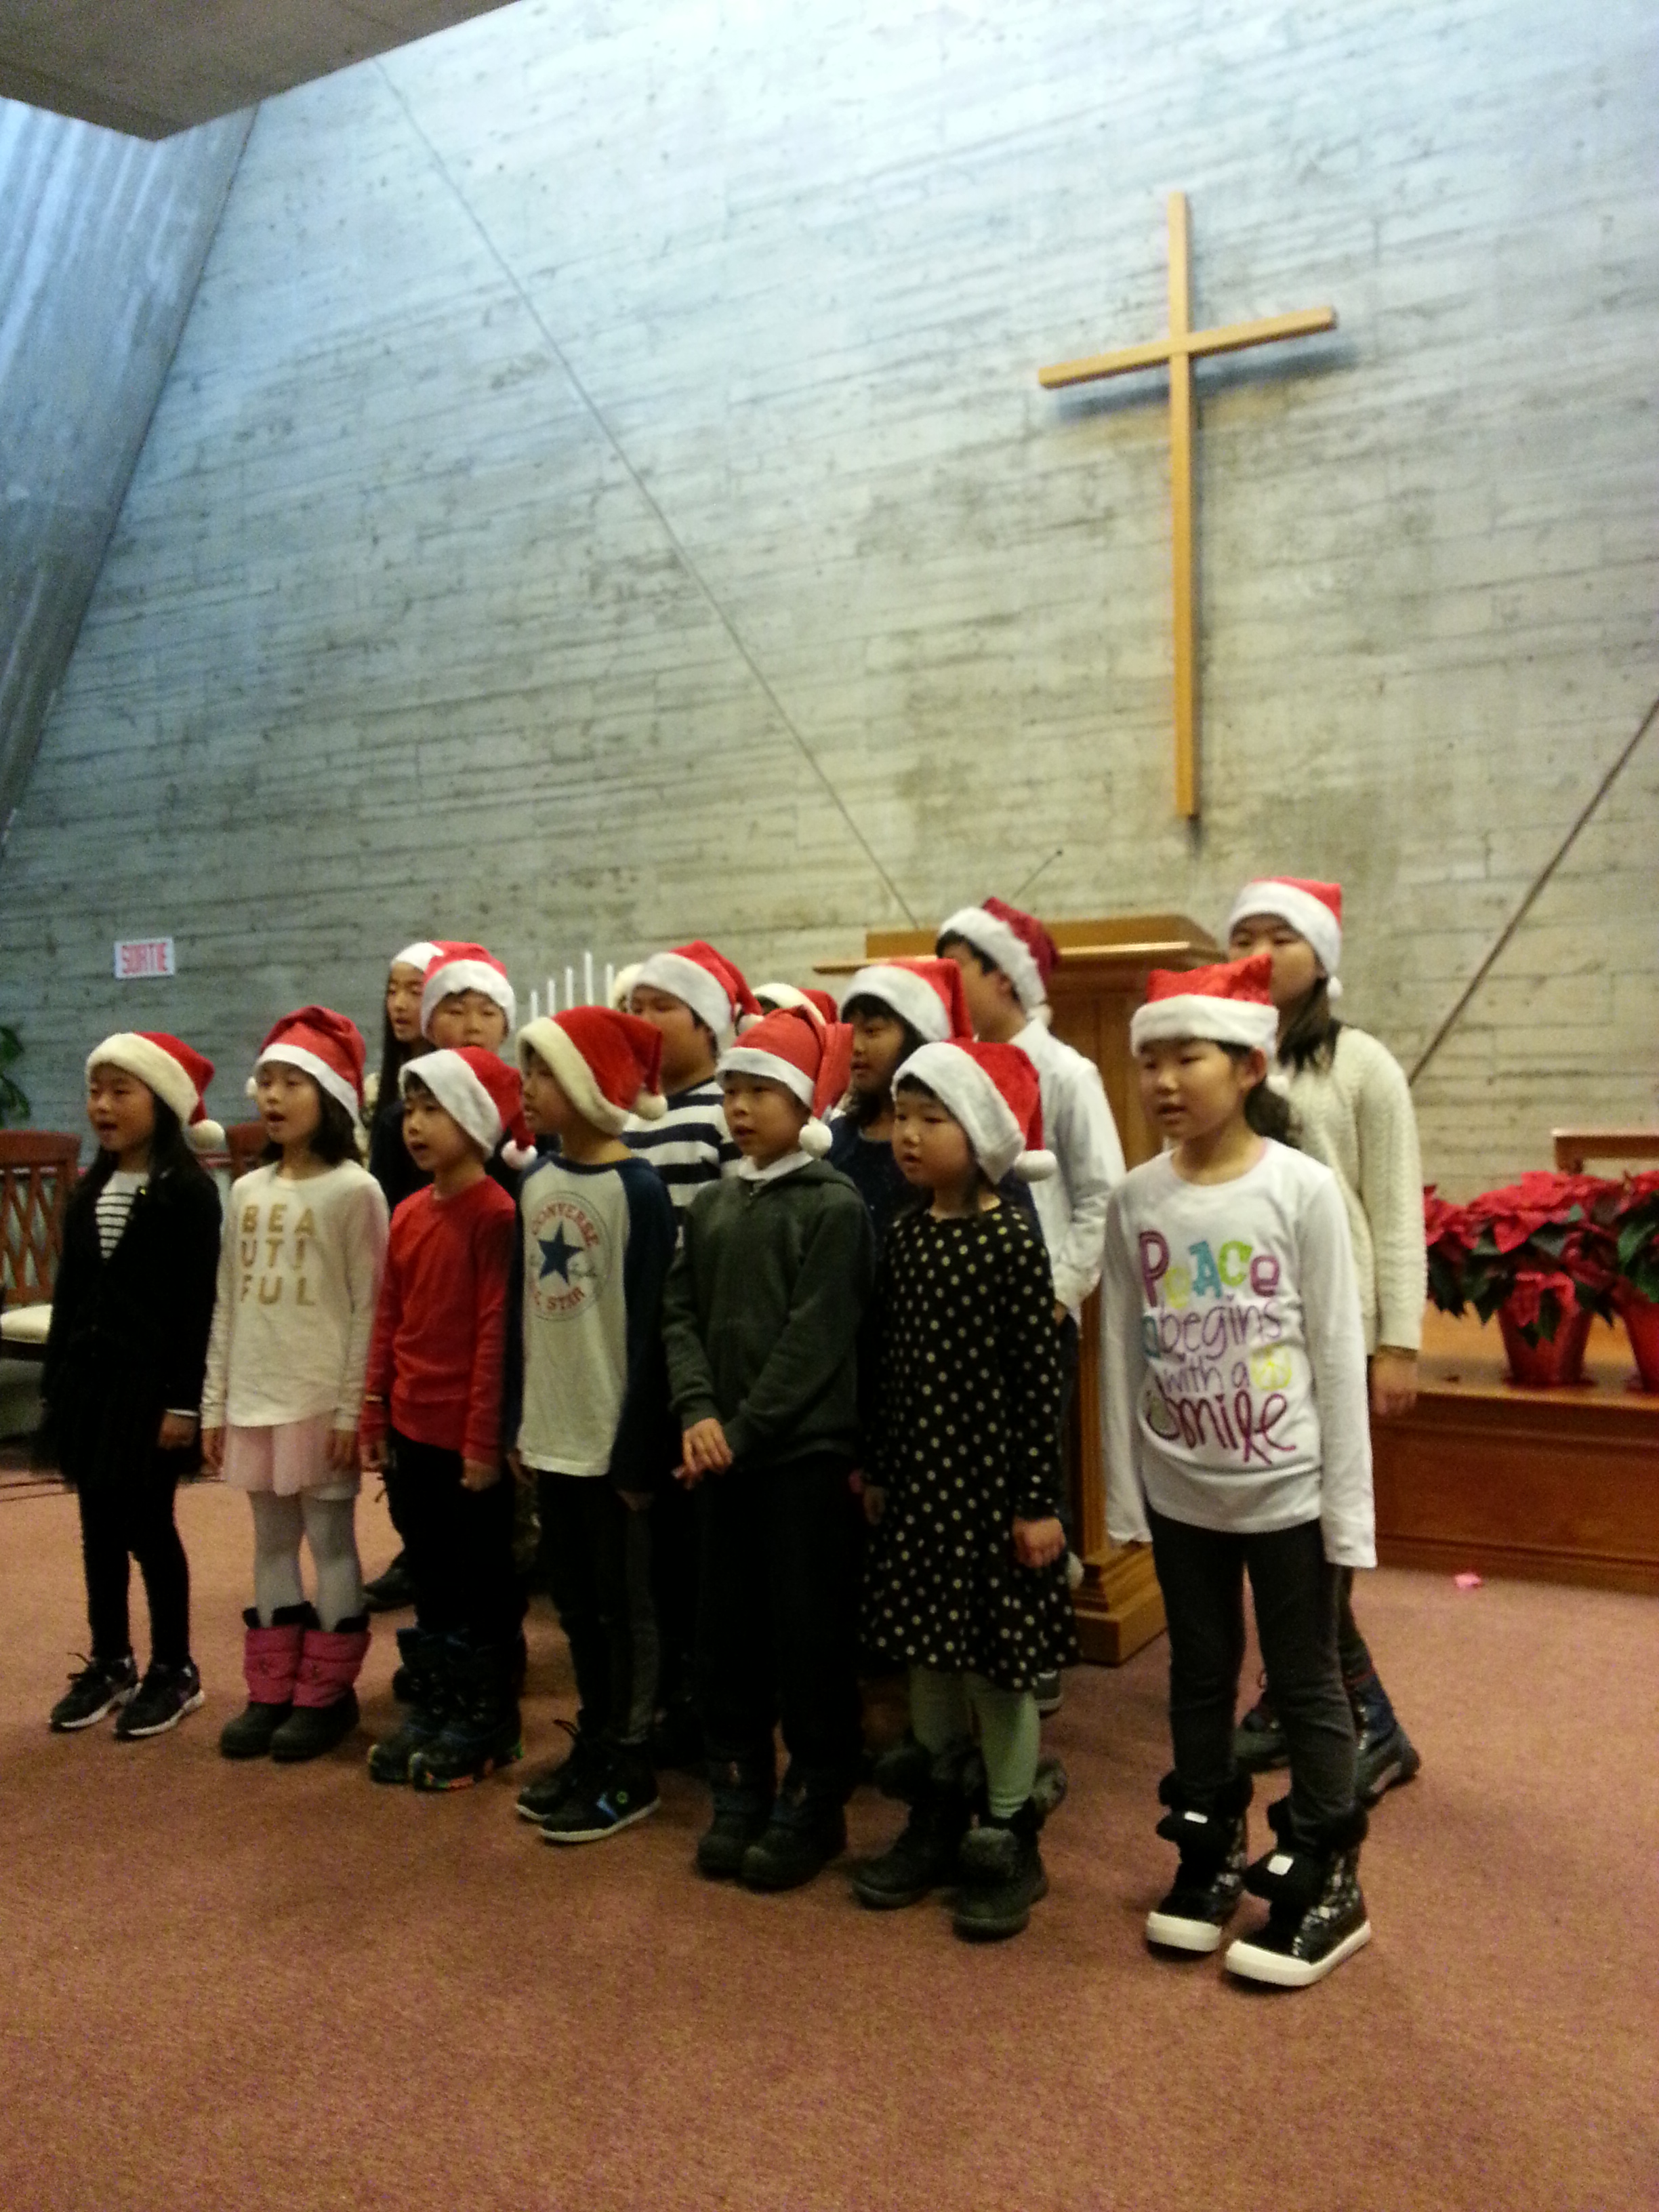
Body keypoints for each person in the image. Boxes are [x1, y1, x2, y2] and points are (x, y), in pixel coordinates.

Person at [1103, 954, 1375, 1988]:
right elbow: (1123, 1349)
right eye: (1151, 1062)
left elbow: (1336, 1353)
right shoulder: (1138, 1199)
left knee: (1305, 1679)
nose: (1164, 1081)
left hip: (1288, 1492)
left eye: (1190, 1058)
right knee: (1199, 1674)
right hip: (1184, 1491)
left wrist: (1348, 1511)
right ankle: (1209, 1850)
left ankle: (1329, 1877)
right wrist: (1127, 1496)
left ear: (1250, 1064)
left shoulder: (1300, 1190)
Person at [855, 1041, 1074, 1940]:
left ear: (978, 1133)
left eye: (931, 1119)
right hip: (921, 1493)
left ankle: (1009, 1829)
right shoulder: (906, 1236)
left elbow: (1038, 1385)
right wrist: (878, 1467)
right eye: (903, 1117)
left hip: (990, 1498)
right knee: (929, 1657)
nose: (908, 1135)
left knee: (995, 1665)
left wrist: (1038, 1503)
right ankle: (939, 1813)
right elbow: (885, 1365)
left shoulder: (1011, 1240)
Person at [661, 1005, 876, 1891]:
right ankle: (740, 1785)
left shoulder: (833, 1206)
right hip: (721, 1456)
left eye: (759, 1092)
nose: (739, 1109)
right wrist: (697, 1411)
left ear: (802, 1103)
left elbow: (815, 1339)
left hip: (799, 1462)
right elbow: (679, 1312)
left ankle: (815, 1800)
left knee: (808, 1634)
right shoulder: (715, 1203)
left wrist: (738, 1432)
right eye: (731, 1093)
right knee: (727, 1633)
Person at [1224, 878, 1424, 1803]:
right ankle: (1295, 1694)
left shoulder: (1361, 1064)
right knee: (1275, 1526)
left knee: (1318, 1532)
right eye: (1245, 937)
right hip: (1255, 1324)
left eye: (1281, 936)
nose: (1261, 954)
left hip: (1338, 1326)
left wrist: (1399, 1342)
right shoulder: (1228, 1059)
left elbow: (1395, 1205)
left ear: (1322, 955)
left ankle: (1370, 1721)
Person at [937, 897, 1125, 1709]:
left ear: (1005, 978)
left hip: (1036, 1311)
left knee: (1033, 1480)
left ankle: (1041, 1641)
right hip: (964, 1312)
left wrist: (1057, 1293)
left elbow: (1102, 1195)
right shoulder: (953, 1069)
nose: (946, 986)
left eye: (957, 970)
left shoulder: (1067, 1072)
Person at [503, 1006, 677, 1844]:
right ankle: (597, 1737)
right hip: (553, 1432)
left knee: (623, 1608)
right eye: (527, 1071)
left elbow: (653, 1328)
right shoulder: (535, 1181)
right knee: (574, 1603)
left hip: (612, 1445)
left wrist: (638, 1454)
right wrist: (516, 1419)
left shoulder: (638, 1190)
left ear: (586, 1082)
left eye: (544, 1072)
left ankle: (631, 1760)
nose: (528, 1088)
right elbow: (520, 1313)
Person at [202, 1008, 389, 1762]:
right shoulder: (247, 1191)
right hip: (256, 1395)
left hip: (320, 1400)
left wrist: (353, 1407)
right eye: (267, 1082)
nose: (273, 1097)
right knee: (271, 1542)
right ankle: (272, 1687)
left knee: (331, 1542)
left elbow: (369, 1307)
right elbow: (228, 1302)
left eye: (292, 1082)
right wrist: (215, 1402)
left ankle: (327, 1694)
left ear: (331, 1096)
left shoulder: (356, 1191)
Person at [41, 1033, 224, 1739]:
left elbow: (197, 1307)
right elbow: (70, 1295)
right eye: (96, 1091)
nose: (103, 1106)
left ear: (164, 1102)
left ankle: (175, 1667)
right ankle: (112, 1658)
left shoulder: (189, 1193)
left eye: (122, 1091)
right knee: (98, 1531)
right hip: (91, 1387)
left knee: (150, 1528)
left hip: (151, 1393)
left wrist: (184, 1401)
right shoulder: (90, 1189)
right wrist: (56, 1383)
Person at [359, 1047, 529, 1790]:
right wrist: (374, 1410)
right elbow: (388, 1320)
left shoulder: (496, 1215)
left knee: (480, 1578)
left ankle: (488, 1719)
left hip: (468, 1440)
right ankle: (438, 1700)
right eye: (413, 1109)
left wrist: (483, 1441)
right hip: (412, 1428)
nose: (416, 1125)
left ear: (475, 1121)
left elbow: (495, 1335)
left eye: (435, 1110)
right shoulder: (406, 1213)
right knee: (429, 1571)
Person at [623, 938, 756, 1767]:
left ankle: (717, 1704)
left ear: (707, 1024)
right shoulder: (629, 1118)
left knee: (708, 1549)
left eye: (660, 1007)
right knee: (659, 1552)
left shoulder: (720, 1113)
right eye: (633, 1007)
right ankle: (672, 1692)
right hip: (641, 1355)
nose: (642, 1020)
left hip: (700, 1355)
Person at [363, 941, 441, 1614]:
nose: (400, 1003)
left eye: (415, 989)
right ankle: (417, 1548)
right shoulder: (385, 1105)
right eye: (393, 989)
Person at [830, 956, 972, 1246]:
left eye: (872, 1031)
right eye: (850, 1032)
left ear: (917, 1038)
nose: (856, 1047)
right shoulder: (838, 1139)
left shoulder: (963, 1142)